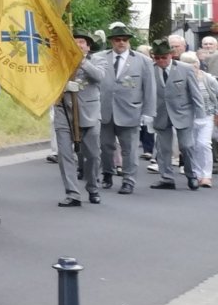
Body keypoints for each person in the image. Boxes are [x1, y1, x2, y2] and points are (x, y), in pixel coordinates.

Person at [98, 21, 157, 196]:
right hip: (105, 110)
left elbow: (150, 88)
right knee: (105, 146)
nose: (121, 43)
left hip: (130, 111)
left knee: (129, 150)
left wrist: (148, 113)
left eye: (124, 39)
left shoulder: (143, 61)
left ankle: (128, 180)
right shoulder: (100, 57)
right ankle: (108, 172)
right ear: (111, 41)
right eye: (117, 40)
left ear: (129, 41)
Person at [54, 32, 105, 207]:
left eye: (82, 42)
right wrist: (61, 86)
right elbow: (48, 81)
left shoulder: (97, 60)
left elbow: (99, 77)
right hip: (64, 111)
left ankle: (93, 187)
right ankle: (72, 193)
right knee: (65, 154)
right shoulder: (60, 61)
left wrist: (81, 61)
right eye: (74, 42)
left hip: (89, 113)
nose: (78, 45)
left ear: (88, 46)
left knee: (92, 155)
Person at [150, 40, 200, 191]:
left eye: (164, 57)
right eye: (157, 58)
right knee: (163, 148)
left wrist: (201, 114)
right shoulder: (150, 70)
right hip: (160, 113)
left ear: (171, 55)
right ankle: (166, 178)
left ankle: (192, 175)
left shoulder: (185, 69)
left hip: (183, 112)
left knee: (187, 146)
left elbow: (195, 93)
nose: (160, 61)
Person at [181, 51, 218, 189]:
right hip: (188, 117)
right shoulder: (180, 79)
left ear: (198, 64)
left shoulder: (208, 79)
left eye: (194, 64)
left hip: (206, 115)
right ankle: (196, 173)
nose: (193, 68)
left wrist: (217, 113)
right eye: (188, 65)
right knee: (192, 146)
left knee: (204, 144)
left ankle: (206, 175)